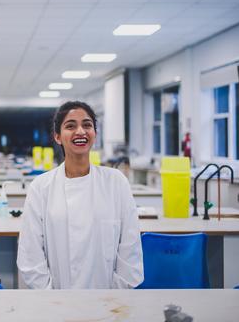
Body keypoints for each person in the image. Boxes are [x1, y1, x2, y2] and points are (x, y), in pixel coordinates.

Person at [17, 101, 144, 289]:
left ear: (95, 134)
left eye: (87, 125)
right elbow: (30, 255)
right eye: (70, 126)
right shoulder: (41, 187)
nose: (80, 131)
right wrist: (54, 299)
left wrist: (114, 298)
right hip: (57, 305)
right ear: (58, 136)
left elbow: (130, 250)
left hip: (111, 305)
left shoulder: (116, 182)